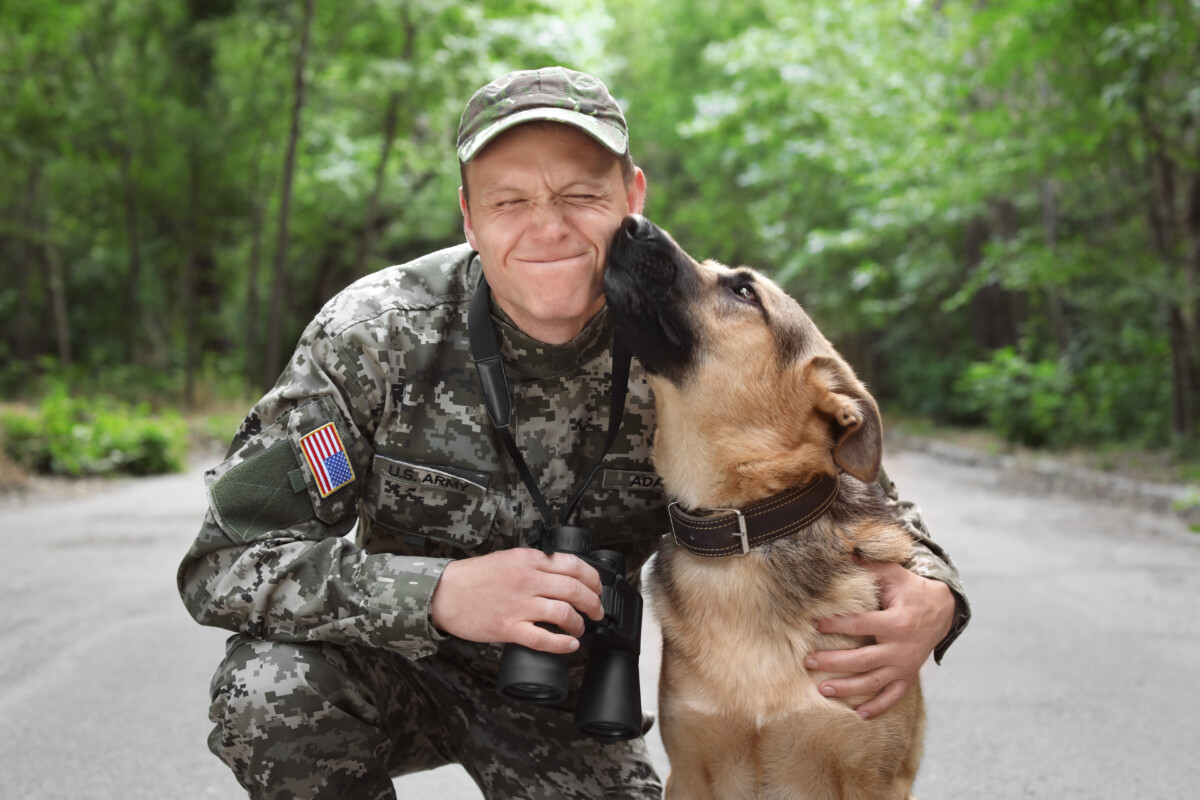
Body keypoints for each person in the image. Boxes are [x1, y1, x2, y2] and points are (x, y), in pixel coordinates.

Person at [177, 66, 970, 800]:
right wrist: (439, 595)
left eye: (582, 195)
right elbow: (223, 562)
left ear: (632, 196)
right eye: (510, 200)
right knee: (270, 692)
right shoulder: (374, 337)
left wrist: (936, 595)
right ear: (469, 215)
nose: (547, 227)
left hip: (570, 702)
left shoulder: (683, 346)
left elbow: (849, 487)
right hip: (394, 663)